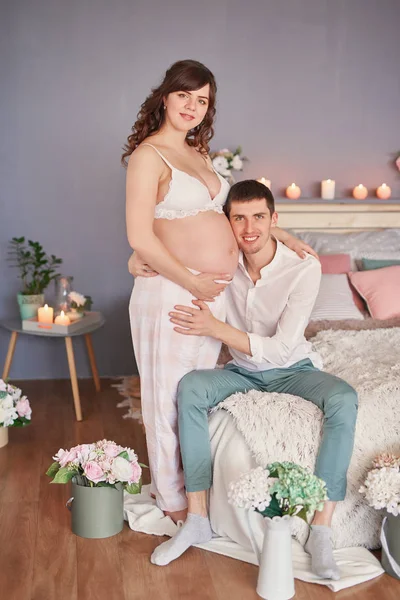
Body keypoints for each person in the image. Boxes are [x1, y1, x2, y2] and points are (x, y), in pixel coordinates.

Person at [123, 59, 317, 524]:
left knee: (195, 397)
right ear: (165, 97)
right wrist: (189, 280)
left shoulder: (200, 153)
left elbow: (233, 213)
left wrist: (283, 236)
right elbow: (139, 236)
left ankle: (199, 494)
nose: (192, 106)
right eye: (184, 95)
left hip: (211, 297)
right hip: (174, 292)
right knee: (166, 396)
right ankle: (173, 502)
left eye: (202, 100)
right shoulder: (149, 156)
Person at [146, 180, 358, 581]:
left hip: (295, 370)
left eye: (259, 217)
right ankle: (197, 517)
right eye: (238, 218)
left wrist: (214, 328)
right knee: (191, 387)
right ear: (227, 223)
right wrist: (136, 261)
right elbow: (161, 245)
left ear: (274, 219)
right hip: (242, 371)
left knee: (344, 398)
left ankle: (323, 529)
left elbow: (280, 350)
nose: (249, 228)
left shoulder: (304, 267)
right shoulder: (222, 264)